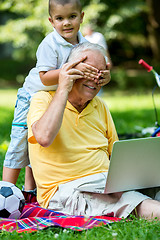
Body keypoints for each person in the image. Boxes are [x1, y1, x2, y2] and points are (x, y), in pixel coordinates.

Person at [27, 42, 160, 219]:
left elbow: (117, 155)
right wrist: (64, 87)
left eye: (100, 74)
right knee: (133, 201)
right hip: (67, 190)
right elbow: (44, 137)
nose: (95, 79)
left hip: (107, 183)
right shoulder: (42, 99)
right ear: (70, 70)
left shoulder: (100, 106)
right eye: (88, 72)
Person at [2, 0, 111, 196]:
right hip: (32, 94)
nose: (66, 23)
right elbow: (44, 77)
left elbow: (97, 69)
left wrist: (105, 76)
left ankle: (30, 190)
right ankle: (4, 191)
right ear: (52, 21)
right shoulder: (49, 44)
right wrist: (70, 70)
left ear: (82, 17)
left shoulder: (86, 45)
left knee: (39, 143)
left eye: (72, 17)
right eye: (60, 18)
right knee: (20, 142)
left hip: (57, 95)